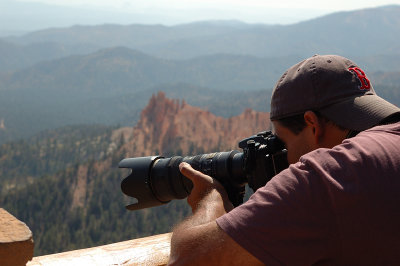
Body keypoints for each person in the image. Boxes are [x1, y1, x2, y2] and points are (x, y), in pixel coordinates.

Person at [167, 55, 400, 265]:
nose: (286, 159)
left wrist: (210, 199)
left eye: (283, 142)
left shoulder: (329, 177)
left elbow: (187, 258)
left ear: (312, 124)